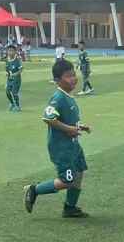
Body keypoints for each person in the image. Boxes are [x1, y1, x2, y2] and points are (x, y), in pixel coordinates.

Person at [23, 59, 92, 219]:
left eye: (74, 74)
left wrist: (79, 126)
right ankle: (34, 189)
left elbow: (66, 119)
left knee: (79, 173)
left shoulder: (68, 95)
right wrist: (69, 129)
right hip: (61, 148)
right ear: (57, 80)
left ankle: (69, 208)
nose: (73, 78)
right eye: (68, 76)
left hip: (73, 146)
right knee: (67, 181)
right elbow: (48, 118)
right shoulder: (59, 97)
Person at [5, 44, 23, 112]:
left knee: (14, 93)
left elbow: (21, 69)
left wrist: (16, 74)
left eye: (12, 51)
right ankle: (12, 103)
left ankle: (17, 106)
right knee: (7, 92)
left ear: (15, 52)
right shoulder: (7, 60)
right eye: (9, 51)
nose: (10, 52)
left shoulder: (17, 60)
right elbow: (7, 69)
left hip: (16, 80)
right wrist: (7, 74)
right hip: (9, 79)